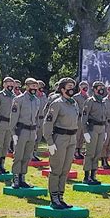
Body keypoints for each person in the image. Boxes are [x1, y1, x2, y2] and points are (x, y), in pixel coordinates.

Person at [43, 77, 79, 209]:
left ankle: (61, 196)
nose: (71, 89)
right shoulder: (57, 103)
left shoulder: (74, 103)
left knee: (65, 169)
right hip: (60, 138)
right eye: (69, 87)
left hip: (71, 138)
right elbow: (48, 123)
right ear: (62, 89)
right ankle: (54, 198)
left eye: (72, 87)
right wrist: (50, 141)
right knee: (56, 169)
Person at [9, 78, 40, 188]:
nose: (34, 88)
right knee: (18, 155)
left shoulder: (37, 100)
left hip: (32, 131)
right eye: (32, 86)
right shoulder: (19, 99)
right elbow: (14, 117)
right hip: (21, 131)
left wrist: (36, 131)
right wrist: (13, 133)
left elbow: (36, 117)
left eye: (36, 86)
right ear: (26, 86)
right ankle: (16, 178)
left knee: (27, 156)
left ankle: (23, 178)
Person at [81, 81, 107, 185]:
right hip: (92, 128)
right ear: (95, 89)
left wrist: (105, 131)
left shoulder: (103, 102)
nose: (101, 90)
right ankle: (86, 177)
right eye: (99, 88)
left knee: (97, 153)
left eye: (102, 88)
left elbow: (106, 117)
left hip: (101, 128)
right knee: (90, 152)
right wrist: (85, 132)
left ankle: (93, 175)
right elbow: (84, 117)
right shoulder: (90, 101)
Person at [0, 77, 16, 174]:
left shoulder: (15, 96)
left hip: (11, 123)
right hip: (1, 123)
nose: (10, 85)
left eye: (12, 83)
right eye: (8, 83)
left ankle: (2, 164)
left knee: (6, 145)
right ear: (4, 84)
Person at [73, 81, 89, 160]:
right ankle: (75, 151)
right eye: (83, 86)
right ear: (80, 87)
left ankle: (79, 150)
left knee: (83, 135)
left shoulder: (88, 97)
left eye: (86, 86)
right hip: (78, 118)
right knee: (77, 135)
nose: (85, 88)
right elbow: (73, 107)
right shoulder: (76, 97)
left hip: (85, 119)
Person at [33, 80, 48, 161]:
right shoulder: (33, 96)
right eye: (39, 86)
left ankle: (35, 152)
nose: (41, 88)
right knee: (33, 137)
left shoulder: (44, 96)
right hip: (35, 118)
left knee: (39, 137)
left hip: (42, 118)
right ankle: (30, 153)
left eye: (42, 86)